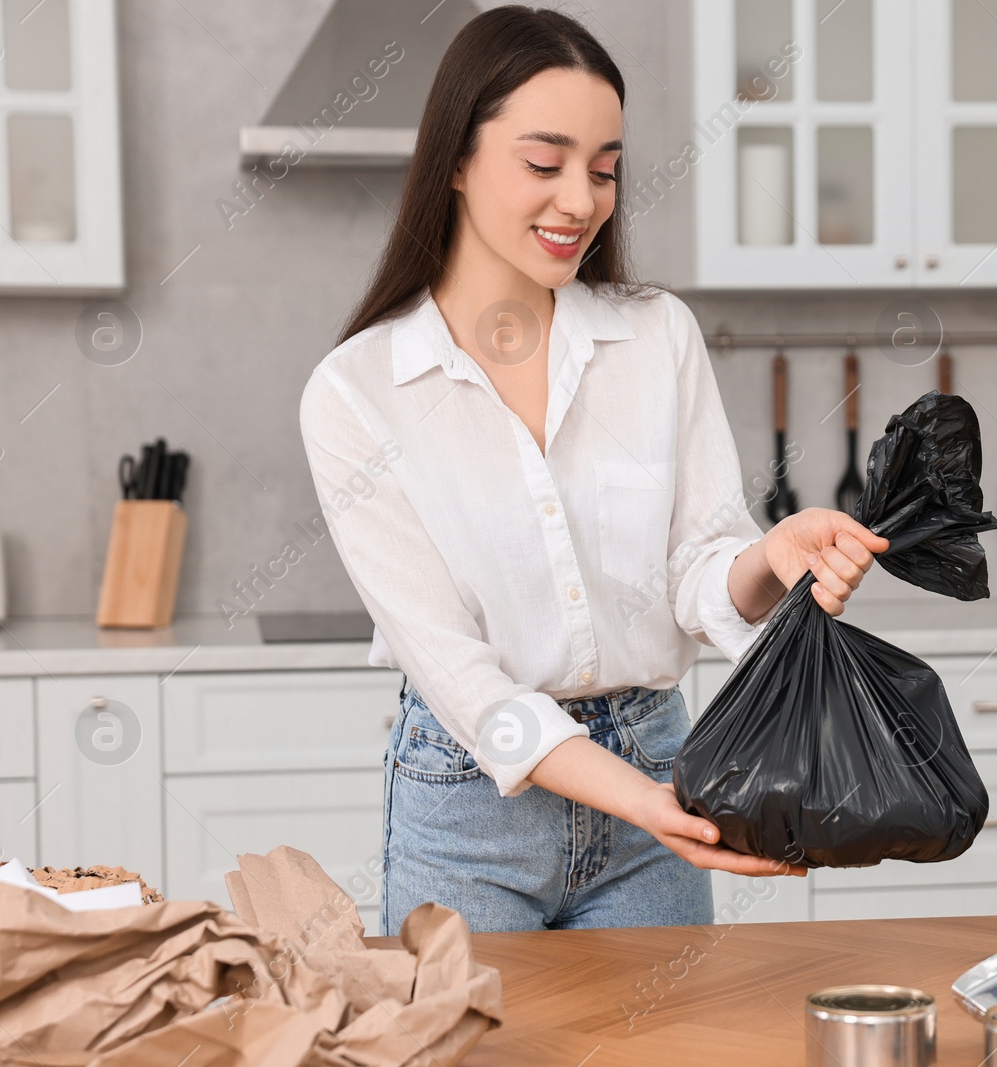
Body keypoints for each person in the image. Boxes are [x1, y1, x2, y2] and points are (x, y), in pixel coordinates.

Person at [299, 6, 888, 935]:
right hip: (471, 813)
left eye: (605, 168)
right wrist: (643, 799)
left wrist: (773, 553)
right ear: (455, 159)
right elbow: (466, 684)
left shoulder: (655, 336)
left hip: (660, 759)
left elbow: (694, 573)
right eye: (545, 163)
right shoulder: (358, 392)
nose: (580, 199)